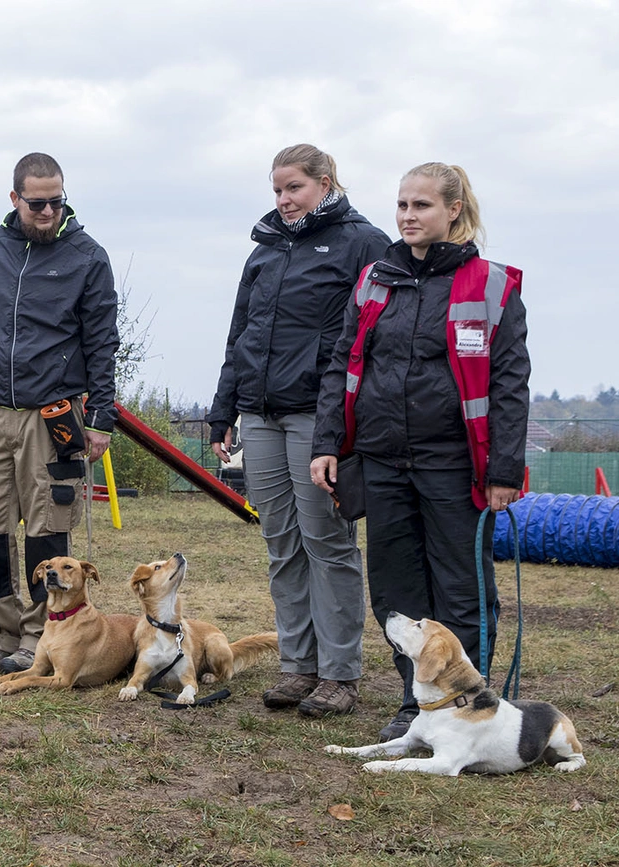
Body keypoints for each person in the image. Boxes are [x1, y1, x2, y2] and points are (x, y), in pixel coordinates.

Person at [311, 162, 529, 741]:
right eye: (403, 205)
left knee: (460, 587)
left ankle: (472, 702)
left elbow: (509, 382)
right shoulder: (374, 280)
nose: (408, 216)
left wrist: (504, 468)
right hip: (381, 460)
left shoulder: (492, 285)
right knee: (398, 592)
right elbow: (342, 365)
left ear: (452, 210)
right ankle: (416, 702)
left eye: (422, 206)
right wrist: (327, 442)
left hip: (454, 464)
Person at [206, 145, 390, 718]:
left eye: (294, 188)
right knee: (281, 543)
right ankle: (297, 665)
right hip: (260, 414)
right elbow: (242, 334)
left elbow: (371, 340)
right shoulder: (264, 251)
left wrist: (344, 425)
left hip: (319, 415)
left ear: (325, 183)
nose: (284, 200)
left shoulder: (365, 243)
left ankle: (339, 674)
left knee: (328, 544)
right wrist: (222, 410)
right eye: (277, 190)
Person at [0, 152, 120, 674]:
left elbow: (103, 342)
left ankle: (36, 636)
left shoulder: (88, 257)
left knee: (47, 526)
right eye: (37, 202)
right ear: (15, 198)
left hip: (55, 415)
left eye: (56, 201)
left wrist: (102, 417)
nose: (47, 211)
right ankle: (0, 632)